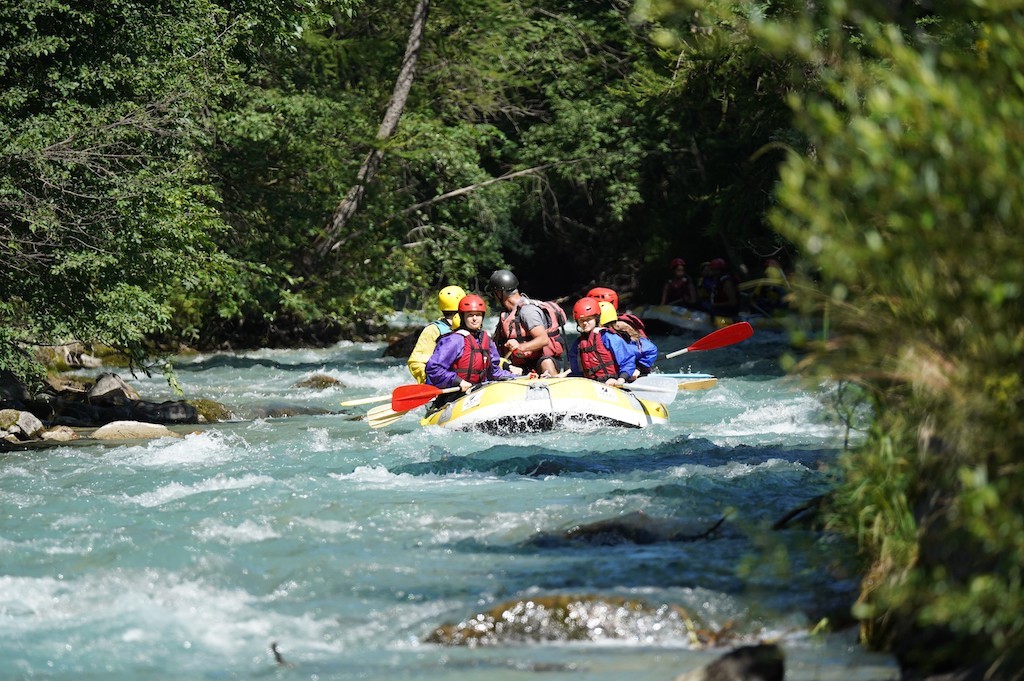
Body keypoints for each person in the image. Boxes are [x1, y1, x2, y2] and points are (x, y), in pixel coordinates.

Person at [424, 294, 516, 409]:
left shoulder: (486, 340)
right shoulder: (455, 340)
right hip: (453, 396)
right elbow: (433, 368)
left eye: (478, 315)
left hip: (476, 392)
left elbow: (494, 372)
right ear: (463, 317)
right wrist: (458, 381)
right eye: (470, 315)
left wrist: (516, 377)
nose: (474, 318)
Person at [486, 269, 566, 377]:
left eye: (494, 293)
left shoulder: (528, 311)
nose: (494, 297)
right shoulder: (507, 314)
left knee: (546, 363)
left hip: (541, 363)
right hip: (521, 366)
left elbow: (543, 339)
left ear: (500, 293)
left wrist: (520, 347)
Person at [567, 297, 639, 387]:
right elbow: (576, 370)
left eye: (588, 319)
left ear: (596, 319)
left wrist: (621, 379)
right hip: (591, 384)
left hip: (613, 381)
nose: (585, 323)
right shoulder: (578, 343)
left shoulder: (606, 336)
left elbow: (627, 359)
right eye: (581, 321)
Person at [407, 285, 466, 383]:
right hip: (446, 382)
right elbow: (417, 363)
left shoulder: (469, 326)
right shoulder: (434, 329)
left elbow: (416, 362)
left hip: (465, 381)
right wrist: (432, 380)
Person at [598, 301, 658, 376]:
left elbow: (651, 350)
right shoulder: (590, 337)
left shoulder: (621, 335)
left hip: (631, 373)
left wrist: (639, 369)